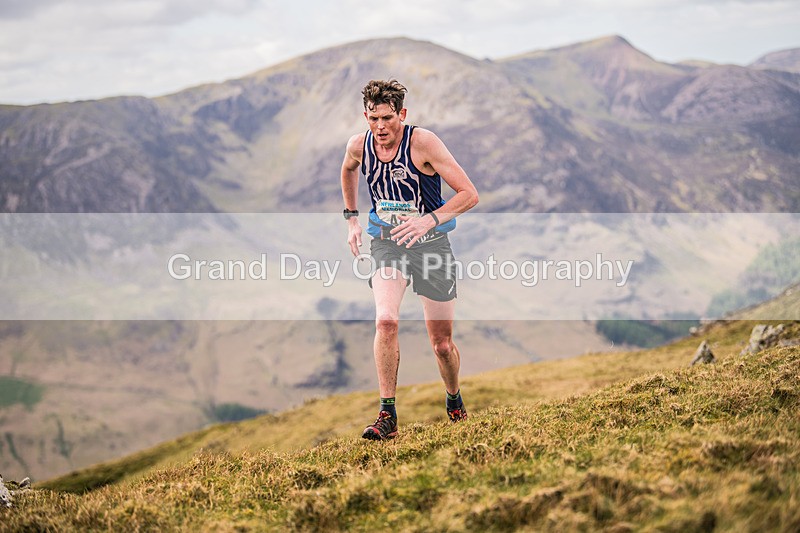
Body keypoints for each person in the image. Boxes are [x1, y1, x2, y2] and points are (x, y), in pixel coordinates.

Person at [340, 79, 479, 440]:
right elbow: (348, 169)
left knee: (442, 344)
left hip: (431, 245)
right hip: (387, 244)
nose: (380, 127)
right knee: (385, 321)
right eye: (372, 118)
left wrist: (429, 220)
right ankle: (387, 415)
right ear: (365, 116)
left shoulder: (423, 143)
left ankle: (453, 398)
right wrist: (352, 219)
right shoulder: (359, 145)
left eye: (387, 118)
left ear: (402, 114)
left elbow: (469, 194)